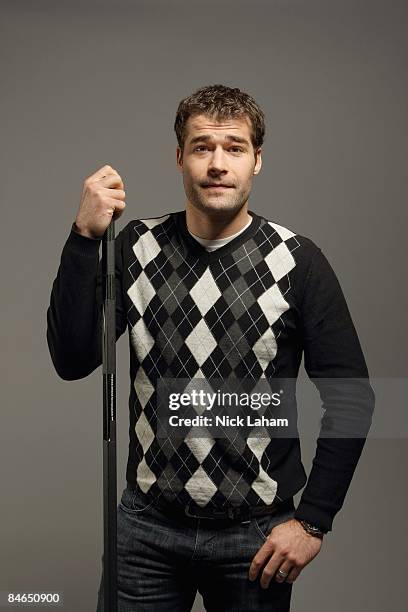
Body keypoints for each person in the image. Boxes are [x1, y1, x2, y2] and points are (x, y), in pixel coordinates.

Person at [46, 84, 375, 611]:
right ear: (179, 157)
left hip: (256, 536)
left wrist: (313, 521)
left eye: (234, 147)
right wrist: (84, 239)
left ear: (257, 160)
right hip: (146, 533)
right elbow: (71, 358)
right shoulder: (136, 247)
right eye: (202, 147)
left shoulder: (297, 260)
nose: (218, 163)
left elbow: (353, 397)